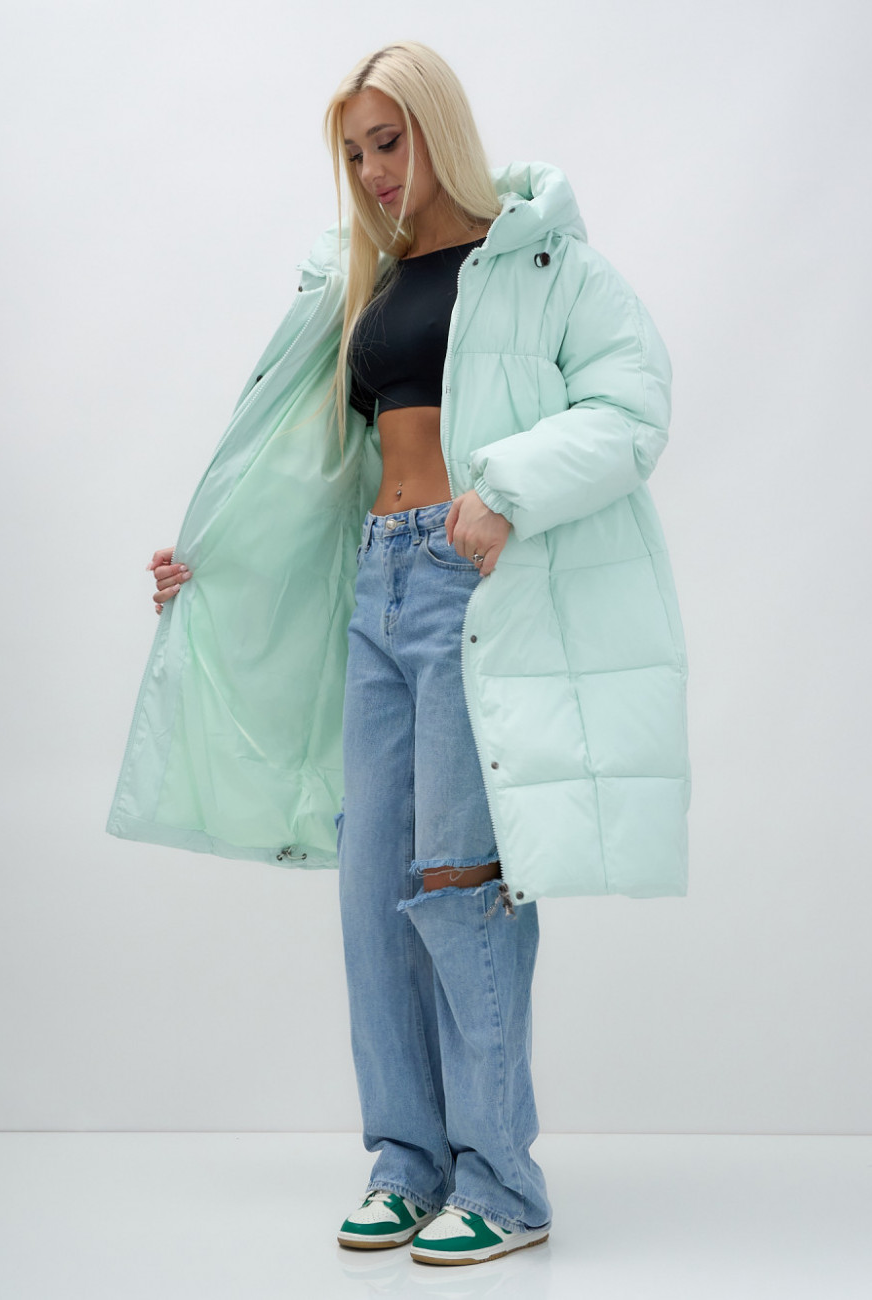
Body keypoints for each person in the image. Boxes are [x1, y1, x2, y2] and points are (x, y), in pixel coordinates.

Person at [108, 40, 690, 1268]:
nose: (375, 170)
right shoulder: (356, 282)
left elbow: (633, 408)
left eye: (391, 140)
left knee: (458, 879)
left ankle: (503, 1181)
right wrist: (212, 562)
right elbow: (306, 470)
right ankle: (407, 1161)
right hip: (376, 585)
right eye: (356, 151)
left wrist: (506, 487)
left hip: (472, 587)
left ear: (439, 127)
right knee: (373, 888)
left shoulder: (543, 262)